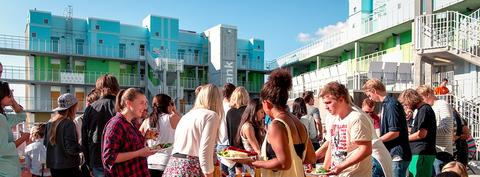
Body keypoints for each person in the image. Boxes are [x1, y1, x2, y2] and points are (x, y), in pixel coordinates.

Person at [241, 69, 316, 176]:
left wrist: (256, 163)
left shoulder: (277, 125)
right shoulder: (299, 123)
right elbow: (311, 158)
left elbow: (284, 163)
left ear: (266, 103)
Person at [163, 84, 223, 177]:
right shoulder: (211, 115)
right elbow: (205, 151)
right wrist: (209, 174)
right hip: (190, 167)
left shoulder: (187, 115)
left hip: (173, 165)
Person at [320, 81, 373, 176]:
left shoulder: (357, 118)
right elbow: (331, 146)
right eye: (324, 103)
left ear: (341, 99)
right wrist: (324, 169)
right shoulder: (334, 119)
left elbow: (366, 149)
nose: (326, 107)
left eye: (329, 103)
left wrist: (341, 167)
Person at [363, 79, 412, 177]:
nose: (370, 98)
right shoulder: (386, 104)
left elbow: (395, 132)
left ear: (374, 90)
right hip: (394, 154)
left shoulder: (391, 104)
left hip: (398, 154)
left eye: (369, 95)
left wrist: (376, 141)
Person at [102, 88, 155, 177]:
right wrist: (139, 153)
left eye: (145, 103)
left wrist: (146, 139)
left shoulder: (132, 123)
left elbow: (132, 147)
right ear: (128, 103)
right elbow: (109, 157)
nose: (145, 107)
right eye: (141, 103)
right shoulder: (116, 124)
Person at [82, 74, 119, 177]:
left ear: (99, 88)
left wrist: (89, 164)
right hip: (119, 159)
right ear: (116, 87)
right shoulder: (121, 106)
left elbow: (85, 138)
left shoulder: (90, 108)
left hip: (97, 159)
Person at [398, 89, 437, 177]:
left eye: (406, 104)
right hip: (420, 152)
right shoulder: (421, 110)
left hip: (422, 152)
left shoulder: (424, 109)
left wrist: (403, 139)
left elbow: (422, 134)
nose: (406, 106)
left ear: (410, 100)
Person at [139, 94, 180, 176]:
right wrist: (174, 110)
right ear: (169, 105)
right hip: (167, 163)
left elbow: (138, 140)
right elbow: (185, 128)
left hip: (150, 163)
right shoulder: (172, 118)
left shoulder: (147, 121)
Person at [417, 85, 454, 175]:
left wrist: (427, 132)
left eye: (421, 98)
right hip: (433, 151)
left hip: (441, 153)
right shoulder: (430, 107)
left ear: (428, 94)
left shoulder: (442, 104)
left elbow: (447, 128)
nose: (420, 101)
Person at [44, 93, 82, 177]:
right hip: (69, 167)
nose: (77, 109)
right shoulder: (68, 123)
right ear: (72, 107)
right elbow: (71, 149)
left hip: (54, 166)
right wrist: (84, 145)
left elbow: (45, 143)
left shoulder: (50, 122)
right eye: (76, 106)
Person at [0, 81, 27, 177]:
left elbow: (22, 116)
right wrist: (23, 138)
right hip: (5, 171)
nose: (11, 97)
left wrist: (12, 101)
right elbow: (3, 149)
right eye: (8, 94)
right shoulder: (1, 117)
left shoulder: (4, 116)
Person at [234, 98, 266, 176]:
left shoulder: (251, 125)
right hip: (253, 165)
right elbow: (257, 149)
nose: (263, 115)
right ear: (254, 111)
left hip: (253, 163)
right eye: (262, 112)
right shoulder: (248, 126)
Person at [217, 83, 235, 176]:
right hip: (229, 143)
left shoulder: (217, 108)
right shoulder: (231, 109)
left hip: (219, 143)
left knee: (222, 173)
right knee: (232, 173)